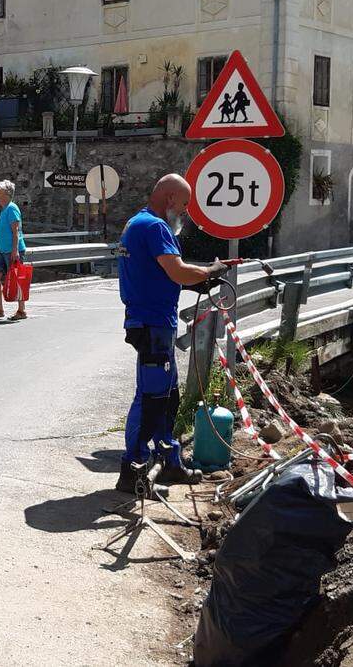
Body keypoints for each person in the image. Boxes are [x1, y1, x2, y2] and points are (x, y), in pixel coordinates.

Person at [115, 174, 228, 493]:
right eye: (185, 204)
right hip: (151, 325)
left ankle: (170, 462)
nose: (186, 212)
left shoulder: (138, 223)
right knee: (151, 399)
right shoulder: (155, 226)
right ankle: (132, 471)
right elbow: (177, 270)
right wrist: (209, 272)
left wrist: (203, 279)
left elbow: (164, 273)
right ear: (169, 200)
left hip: (152, 323)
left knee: (168, 398)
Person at [0, 179, 28, 321]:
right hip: (3, 250)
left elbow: (16, 231)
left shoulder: (12, 208)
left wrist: (15, 250)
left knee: (17, 279)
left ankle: (21, 310)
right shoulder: (5, 210)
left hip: (13, 250)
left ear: (6, 194)